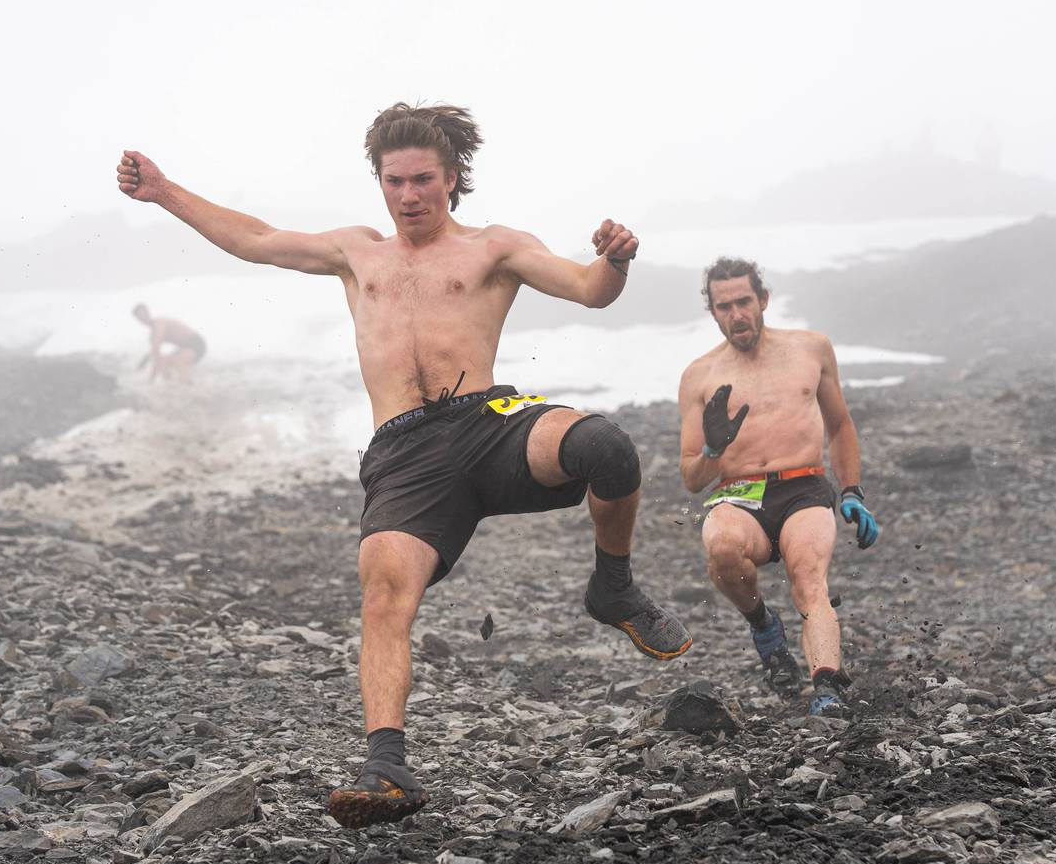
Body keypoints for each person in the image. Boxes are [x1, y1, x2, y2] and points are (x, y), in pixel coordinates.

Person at [116, 102, 691, 827]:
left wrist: (615, 259)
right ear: (379, 183)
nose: (409, 195)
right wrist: (165, 191)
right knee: (384, 594)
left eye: (423, 179)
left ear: (453, 178)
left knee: (603, 444)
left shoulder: (495, 247)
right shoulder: (358, 253)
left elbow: (587, 289)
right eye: (394, 182)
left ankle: (614, 587)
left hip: (489, 424)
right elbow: (256, 239)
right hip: (406, 453)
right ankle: (386, 766)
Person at [676, 257, 879, 715]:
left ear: (763, 300)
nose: (737, 314)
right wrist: (713, 448)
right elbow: (691, 478)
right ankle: (764, 626)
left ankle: (827, 689)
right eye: (724, 306)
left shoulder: (811, 349)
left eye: (744, 301)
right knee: (723, 548)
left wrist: (851, 492)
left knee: (808, 580)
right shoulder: (699, 376)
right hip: (738, 492)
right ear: (712, 312)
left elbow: (840, 425)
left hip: (803, 485)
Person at [132, 303, 207, 383]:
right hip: (185, 348)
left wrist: (147, 360)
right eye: (140, 317)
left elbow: (156, 347)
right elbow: (156, 355)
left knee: (177, 360)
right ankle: (171, 385)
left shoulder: (160, 323)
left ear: (148, 312)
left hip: (196, 343)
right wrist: (150, 380)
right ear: (138, 320)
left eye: (144, 314)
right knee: (163, 361)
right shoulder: (152, 335)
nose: (143, 318)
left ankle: (187, 387)